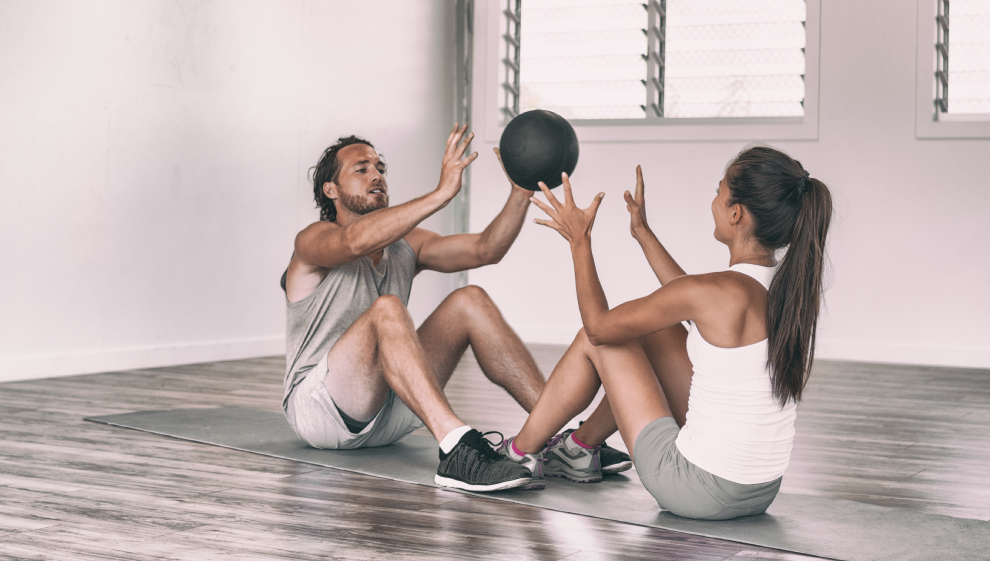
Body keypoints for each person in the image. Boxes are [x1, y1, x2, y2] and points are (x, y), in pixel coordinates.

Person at [497, 145, 833, 519]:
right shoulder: (786, 288)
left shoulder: (714, 292)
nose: (714, 200)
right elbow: (687, 299)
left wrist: (580, 241)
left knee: (600, 341)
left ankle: (516, 455)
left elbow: (598, 328)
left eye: (718, 192)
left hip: (696, 489)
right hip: (759, 491)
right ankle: (578, 449)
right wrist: (642, 233)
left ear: (736, 213)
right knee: (660, 332)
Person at [281, 124, 546, 492]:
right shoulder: (312, 241)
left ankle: (555, 433)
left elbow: (487, 249)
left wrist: (521, 192)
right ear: (331, 190)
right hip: (321, 413)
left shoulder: (406, 246)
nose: (376, 175)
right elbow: (354, 241)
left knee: (470, 299)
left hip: (390, 410)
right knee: (386, 309)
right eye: (361, 169)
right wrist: (441, 194)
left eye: (380, 168)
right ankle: (457, 451)